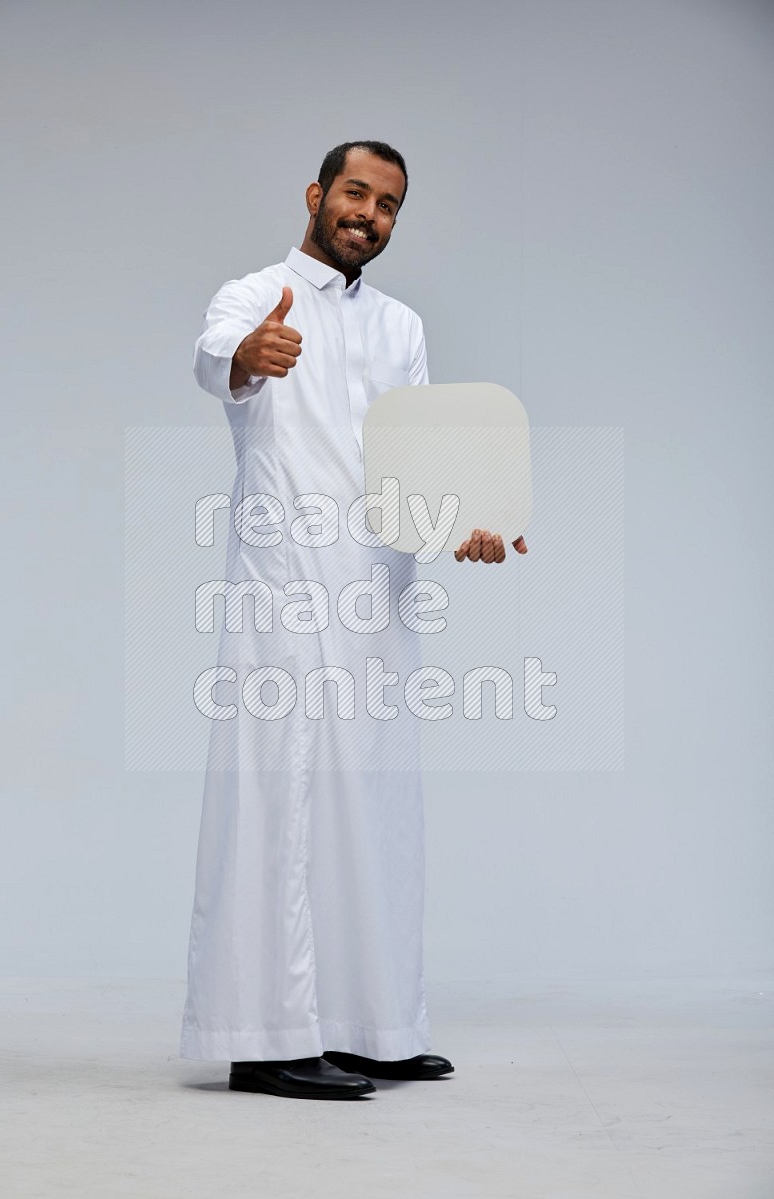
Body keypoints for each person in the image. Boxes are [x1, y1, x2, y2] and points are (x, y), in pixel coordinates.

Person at [180, 140, 527, 1101]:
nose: (368, 214)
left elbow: (415, 460)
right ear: (316, 193)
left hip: (378, 590)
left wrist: (467, 523)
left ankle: (375, 1025)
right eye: (355, 192)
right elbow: (216, 364)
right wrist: (247, 358)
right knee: (279, 802)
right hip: (285, 588)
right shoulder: (253, 294)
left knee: (374, 806)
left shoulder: (402, 326)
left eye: (388, 205)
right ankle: (266, 1036)